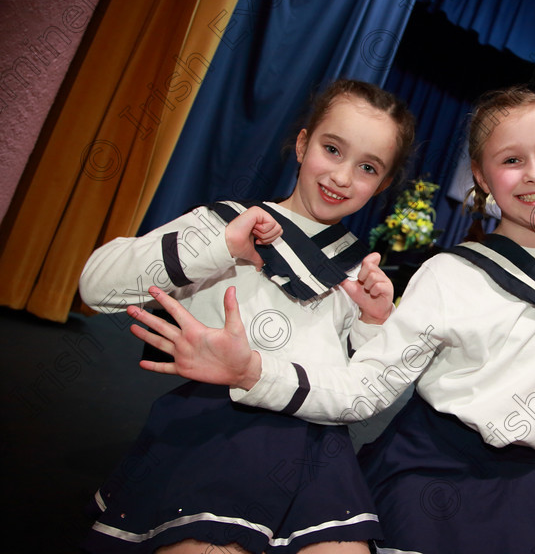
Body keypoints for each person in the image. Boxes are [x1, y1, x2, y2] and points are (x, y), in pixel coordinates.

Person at [130, 85, 535, 553]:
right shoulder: (451, 276)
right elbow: (362, 392)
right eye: (510, 160)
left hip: (524, 491)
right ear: (481, 176)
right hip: (432, 476)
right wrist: (254, 370)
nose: (534, 174)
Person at [77, 79, 415, 554]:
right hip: (216, 432)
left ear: (381, 184)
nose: (341, 176)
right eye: (332, 149)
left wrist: (373, 322)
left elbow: (360, 391)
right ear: (302, 144)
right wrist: (218, 249)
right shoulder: (227, 224)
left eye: (366, 167)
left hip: (318, 452)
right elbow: (95, 284)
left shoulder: (360, 274)